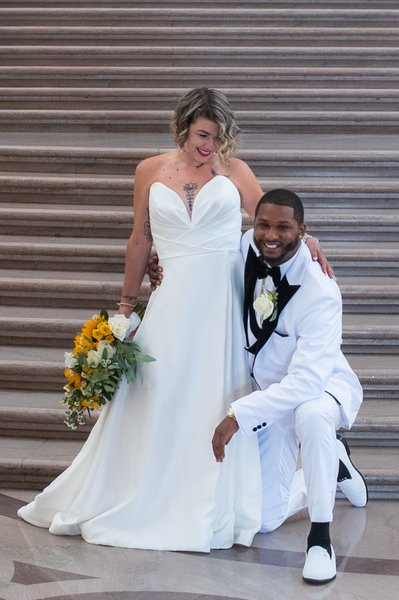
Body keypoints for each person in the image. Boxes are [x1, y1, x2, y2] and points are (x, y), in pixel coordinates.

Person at [18, 88, 328, 552]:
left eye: (219, 138)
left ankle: (206, 494)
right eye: (203, 135)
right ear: (183, 125)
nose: (210, 147)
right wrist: (126, 306)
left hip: (223, 305)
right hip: (170, 298)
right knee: (156, 392)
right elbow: (140, 239)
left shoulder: (235, 170)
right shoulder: (149, 170)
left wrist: (309, 240)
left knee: (209, 395)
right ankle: (145, 490)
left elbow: (273, 221)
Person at [212, 189, 368, 584]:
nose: (271, 235)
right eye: (263, 224)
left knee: (313, 416)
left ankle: (320, 538)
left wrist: (238, 415)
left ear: (303, 230)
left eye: (284, 227)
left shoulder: (321, 291)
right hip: (270, 396)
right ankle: (333, 467)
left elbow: (307, 382)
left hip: (320, 387)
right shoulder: (248, 248)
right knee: (264, 521)